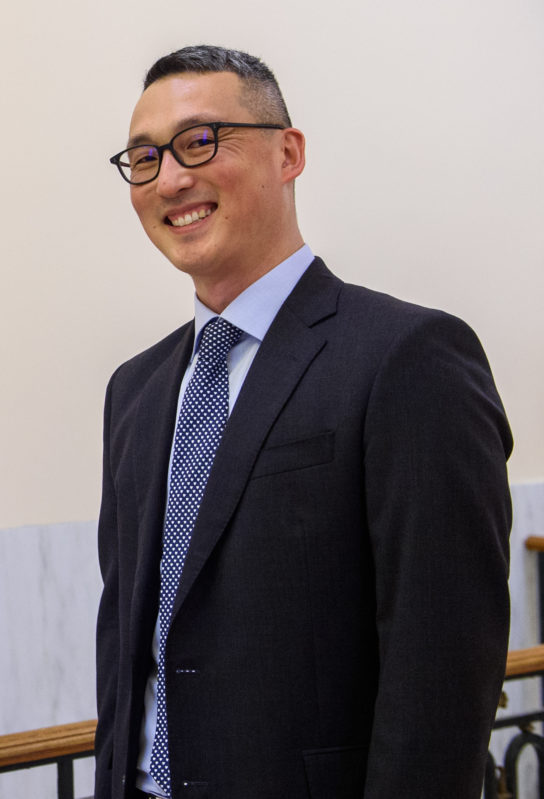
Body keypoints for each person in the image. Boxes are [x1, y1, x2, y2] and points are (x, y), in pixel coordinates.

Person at [95, 45, 512, 799]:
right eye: (145, 157)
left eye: (200, 141)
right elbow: (131, 652)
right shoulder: (136, 391)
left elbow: (443, 672)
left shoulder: (406, 357)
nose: (172, 177)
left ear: (288, 153)